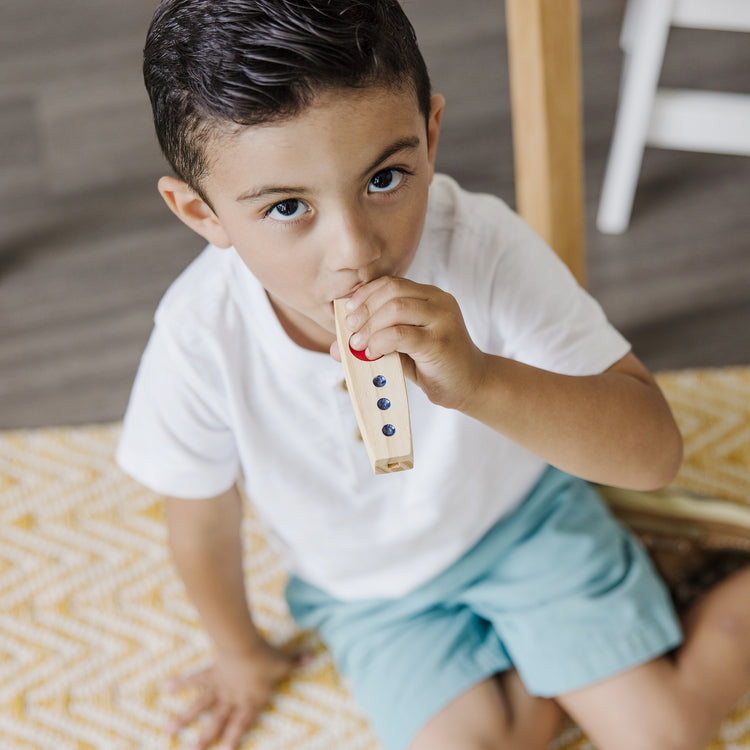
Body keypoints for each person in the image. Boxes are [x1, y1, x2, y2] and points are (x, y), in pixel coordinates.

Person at [117, 1, 750, 749]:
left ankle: (722, 587)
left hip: (526, 523)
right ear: (200, 213)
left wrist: (479, 379)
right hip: (373, 593)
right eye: (288, 206)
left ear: (432, 135)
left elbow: (653, 455)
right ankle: (579, 642)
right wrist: (240, 653)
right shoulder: (200, 334)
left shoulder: (483, 246)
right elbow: (201, 515)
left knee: (664, 736)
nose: (354, 249)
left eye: (385, 179)